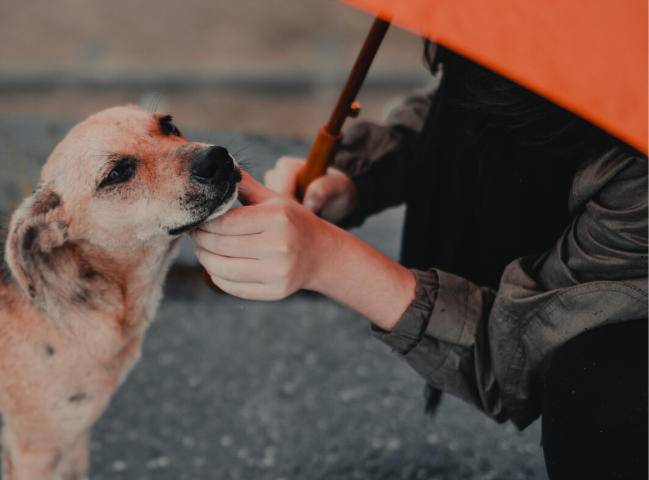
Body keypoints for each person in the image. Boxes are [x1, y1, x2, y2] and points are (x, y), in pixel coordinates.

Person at [191, 44, 647, 479]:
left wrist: (331, 261)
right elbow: (474, 104)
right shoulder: (533, 48)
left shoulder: (637, 162)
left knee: (600, 398)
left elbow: (518, 357)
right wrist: (354, 174)